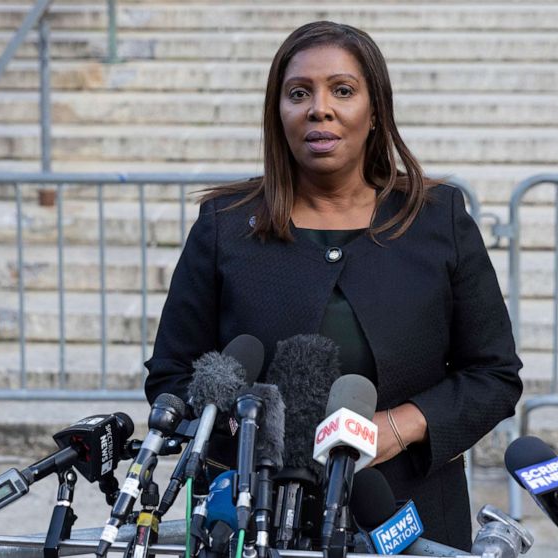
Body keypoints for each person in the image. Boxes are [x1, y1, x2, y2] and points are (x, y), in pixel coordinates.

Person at [144, 21, 523, 551]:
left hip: (403, 510)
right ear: (279, 114)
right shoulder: (224, 225)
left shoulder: (440, 220)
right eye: (299, 93)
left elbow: (494, 376)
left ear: (375, 112)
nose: (319, 108)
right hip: (251, 515)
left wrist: (393, 429)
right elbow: (171, 375)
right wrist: (240, 424)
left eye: (342, 90)